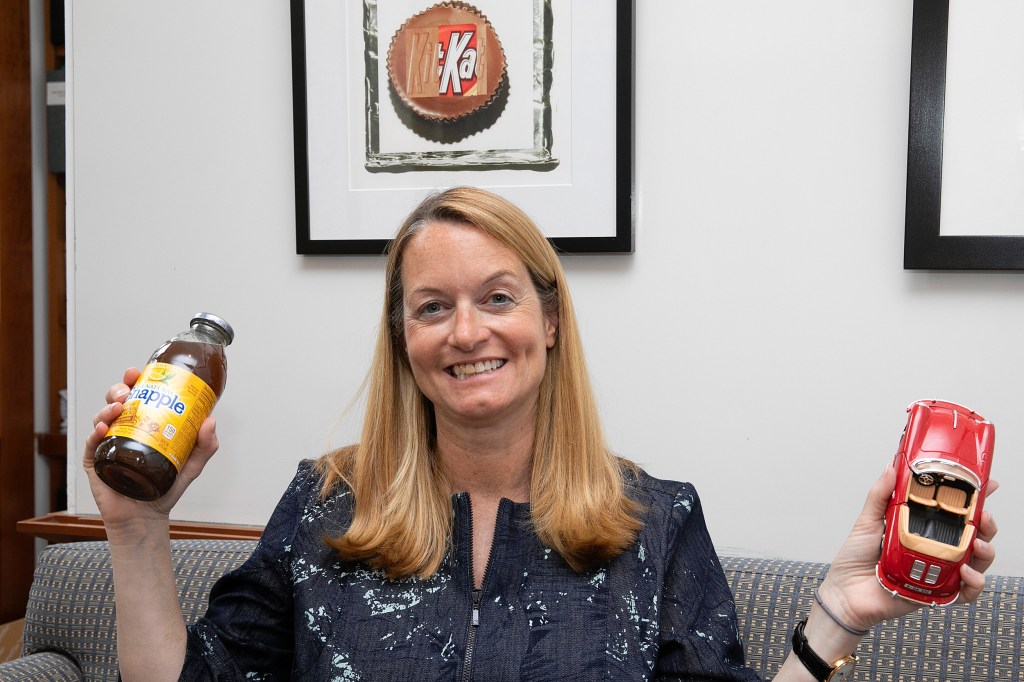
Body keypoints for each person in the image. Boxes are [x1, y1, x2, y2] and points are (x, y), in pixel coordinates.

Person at [84, 186, 998, 681]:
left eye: (498, 298)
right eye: (431, 307)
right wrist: (135, 527)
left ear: (550, 321)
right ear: (404, 342)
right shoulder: (326, 505)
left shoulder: (658, 522)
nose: (466, 332)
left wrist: (839, 616)